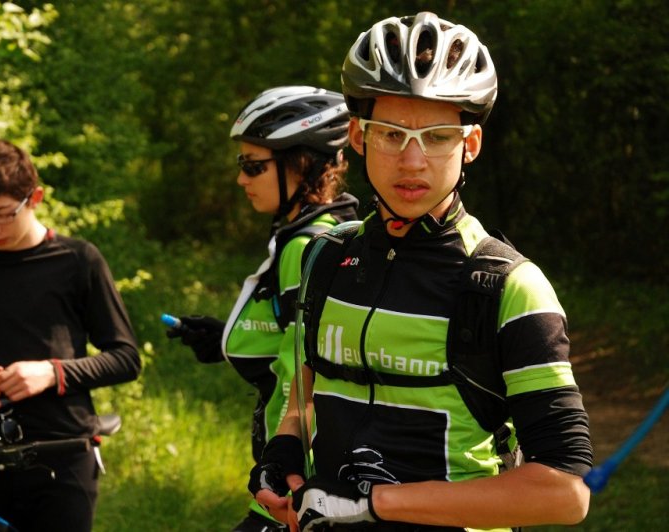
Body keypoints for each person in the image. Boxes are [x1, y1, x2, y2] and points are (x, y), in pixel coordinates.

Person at [249, 12, 593, 532]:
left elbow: (563, 494)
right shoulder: (324, 259)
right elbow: (306, 393)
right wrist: (285, 451)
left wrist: (376, 503)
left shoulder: (506, 285)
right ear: (357, 137)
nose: (412, 161)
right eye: (390, 134)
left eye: (436, 137)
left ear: (469, 145)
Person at [166, 86, 359, 531]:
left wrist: (285, 474)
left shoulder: (307, 246)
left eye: (253, 166)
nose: (241, 179)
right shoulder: (322, 231)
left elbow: (305, 371)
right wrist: (224, 338)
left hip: (292, 487)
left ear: (301, 166)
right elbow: (295, 337)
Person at [0, 140, 141, 532]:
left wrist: (50, 373)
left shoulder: (79, 260)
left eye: (2, 215)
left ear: (35, 198)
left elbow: (126, 358)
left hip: (64, 458)